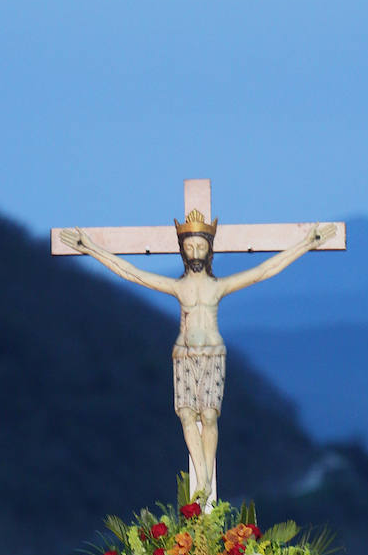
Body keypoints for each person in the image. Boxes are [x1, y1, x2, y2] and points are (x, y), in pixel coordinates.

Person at [59, 213, 336, 499]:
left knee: (210, 416)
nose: (195, 252)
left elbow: (264, 270)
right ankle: (203, 479)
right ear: (182, 251)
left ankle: (206, 480)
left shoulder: (218, 287)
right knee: (187, 415)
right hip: (184, 355)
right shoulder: (178, 287)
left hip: (213, 354)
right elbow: (131, 272)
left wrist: (305, 244)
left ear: (209, 250)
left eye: (200, 247)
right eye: (189, 247)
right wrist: (90, 248)